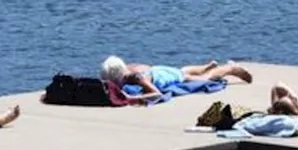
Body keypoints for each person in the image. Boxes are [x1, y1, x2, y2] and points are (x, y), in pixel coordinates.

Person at [100, 56, 253, 102]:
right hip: (158, 70)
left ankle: (230, 69)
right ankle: (207, 65)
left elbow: (157, 94)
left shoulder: (136, 77)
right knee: (183, 71)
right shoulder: (130, 67)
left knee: (202, 79)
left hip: (164, 76)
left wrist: (134, 97)